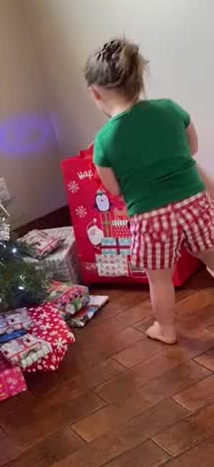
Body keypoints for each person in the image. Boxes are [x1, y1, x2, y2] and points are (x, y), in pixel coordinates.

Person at [86, 37, 214, 345]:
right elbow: (191, 148)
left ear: (95, 94)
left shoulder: (103, 140)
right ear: (138, 80)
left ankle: (166, 330)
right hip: (193, 203)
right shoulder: (169, 109)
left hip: (149, 217)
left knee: (160, 280)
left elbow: (114, 188)